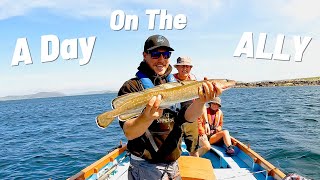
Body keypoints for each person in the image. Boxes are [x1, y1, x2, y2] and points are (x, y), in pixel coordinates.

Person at [117, 34, 224, 180]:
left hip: (174, 164)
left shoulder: (177, 84)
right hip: (145, 167)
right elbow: (129, 132)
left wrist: (200, 101)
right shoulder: (131, 87)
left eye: (166, 54)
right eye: (155, 54)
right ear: (144, 55)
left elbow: (189, 116)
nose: (161, 59)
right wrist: (146, 118)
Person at [173, 56, 210, 157]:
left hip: (192, 121)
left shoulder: (196, 83)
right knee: (174, 150)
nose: (185, 68)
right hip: (174, 121)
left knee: (194, 149)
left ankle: (194, 167)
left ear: (190, 68)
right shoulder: (170, 80)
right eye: (182, 66)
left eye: (187, 66)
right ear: (177, 67)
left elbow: (202, 104)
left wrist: (206, 122)